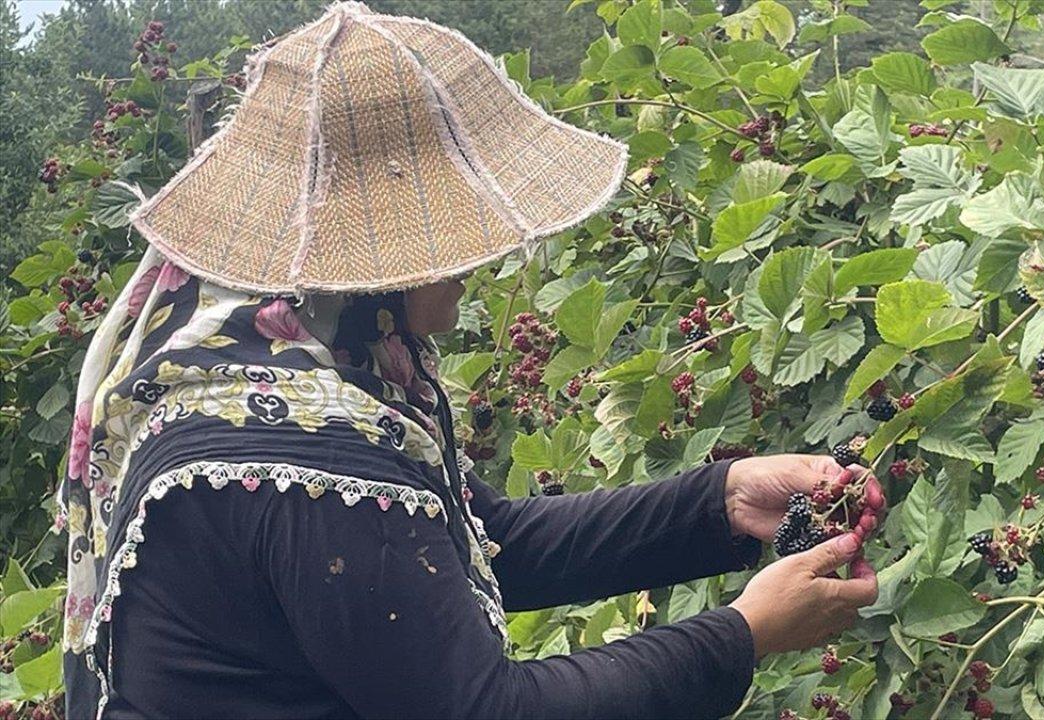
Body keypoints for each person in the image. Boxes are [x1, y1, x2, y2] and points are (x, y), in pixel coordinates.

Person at [60, 4, 878, 718]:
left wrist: (722, 501)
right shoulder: (302, 454)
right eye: (450, 239)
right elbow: (487, 709)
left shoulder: (285, 364)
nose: (477, 260)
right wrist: (742, 634)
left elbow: (488, 538)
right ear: (378, 268)